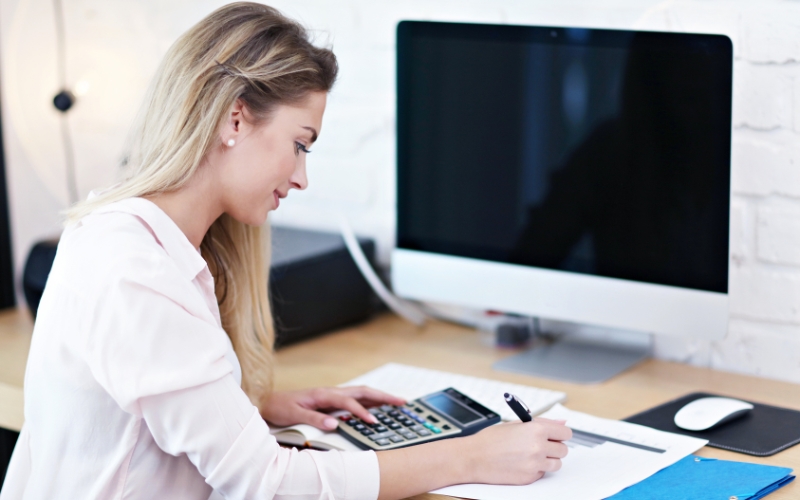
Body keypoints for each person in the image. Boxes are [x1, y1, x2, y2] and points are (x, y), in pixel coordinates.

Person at [0, 3, 570, 499]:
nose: (301, 178)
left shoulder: (128, 231)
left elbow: (147, 408)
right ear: (235, 117)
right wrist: (470, 457)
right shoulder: (137, 270)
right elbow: (264, 483)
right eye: (299, 145)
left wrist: (254, 407)